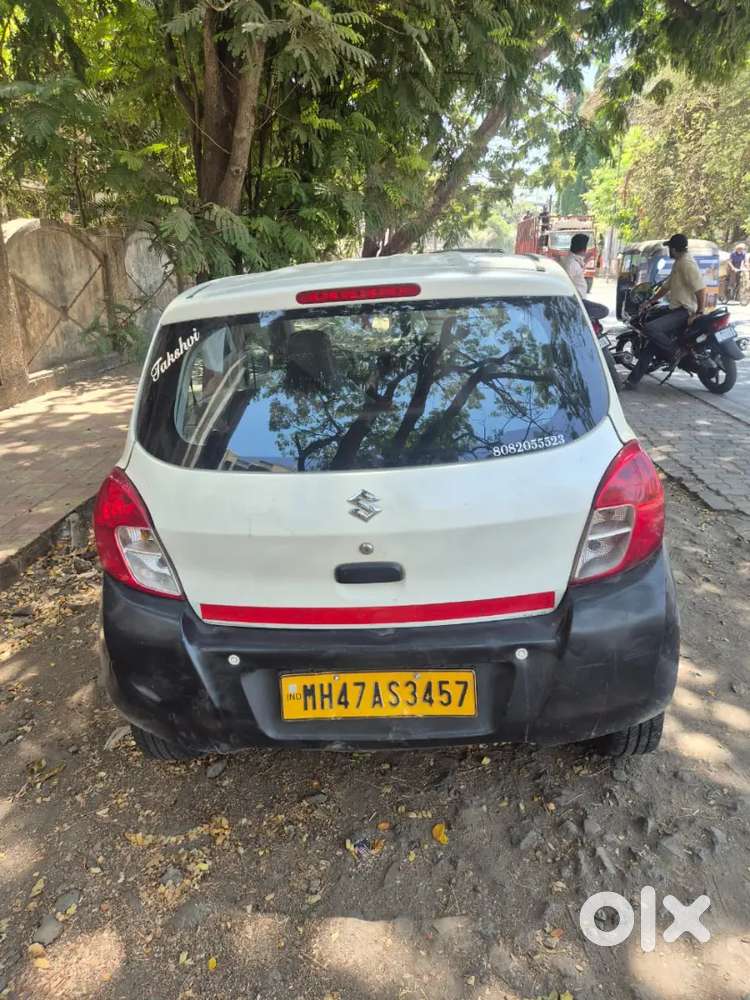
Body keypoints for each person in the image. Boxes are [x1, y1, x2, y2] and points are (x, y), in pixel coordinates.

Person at [624, 233, 706, 390]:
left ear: (674, 249)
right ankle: (632, 381)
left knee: (651, 328)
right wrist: (650, 301)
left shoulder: (686, 264)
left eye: (669, 248)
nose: (668, 251)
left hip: (684, 311)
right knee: (652, 343)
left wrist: (699, 312)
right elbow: (666, 286)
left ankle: (675, 352)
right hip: (675, 309)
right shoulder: (679, 263)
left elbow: (701, 289)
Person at [562, 233, 589, 297]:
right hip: (575, 298)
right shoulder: (571, 263)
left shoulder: (575, 260)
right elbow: (566, 284)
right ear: (583, 249)